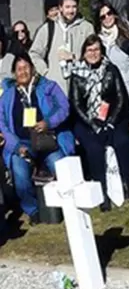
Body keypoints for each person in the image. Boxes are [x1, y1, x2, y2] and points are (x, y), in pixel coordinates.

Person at [0, 54, 74, 221]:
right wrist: (17, 146)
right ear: (14, 73)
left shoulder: (49, 86)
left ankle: (68, 203)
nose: (23, 72)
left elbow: (64, 107)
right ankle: (33, 210)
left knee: (61, 167)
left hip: (48, 140)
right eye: (19, 69)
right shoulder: (7, 96)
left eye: (26, 67)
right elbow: (2, 123)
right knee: (19, 174)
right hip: (22, 143)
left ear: (32, 69)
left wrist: (48, 122)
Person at [68, 34, 129, 200]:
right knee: (94, 148)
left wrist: (110, 122)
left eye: (96, 49)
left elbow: (121, 97)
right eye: (89, 50)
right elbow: (76, 104)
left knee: (123, 142)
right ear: (84, 52)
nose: (93, 53)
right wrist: (93, 124)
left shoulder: (111, 69)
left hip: (113, 117)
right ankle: (101, 190)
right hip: (87, 121)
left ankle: (127, 184)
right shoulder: (76, 74)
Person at [30, 0, 93, 95]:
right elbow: (34, 53)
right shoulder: (48, 28)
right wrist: (46, 72)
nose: (71, 11)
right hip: (56, 90)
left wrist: (73, 57)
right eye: (67, 7)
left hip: (81, 89)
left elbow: (94, 54)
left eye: (74, 7)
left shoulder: (87, 28)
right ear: (60, 7)